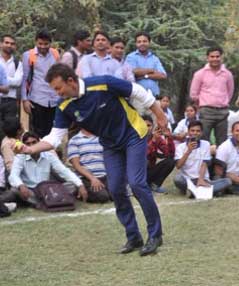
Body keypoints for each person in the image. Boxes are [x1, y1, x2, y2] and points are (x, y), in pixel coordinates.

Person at [16, 63, 168, 256]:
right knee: (115, 189)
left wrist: (160, 116)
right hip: (110, 144)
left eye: (58, 88)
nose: (57, 93)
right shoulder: (64, 106)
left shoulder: (102, 83)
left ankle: (155, 235)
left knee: (137, 183)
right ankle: (133, 236)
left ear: (70, 81)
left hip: (133, 135)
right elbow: (54, 137)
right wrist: (30, 149)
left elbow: (138, 92)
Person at [9, 132, 87, 206]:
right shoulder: (20, 157)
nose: (31, 145)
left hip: (46, 190)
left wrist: (80, 184)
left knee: (73, 185)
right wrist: (21, 185)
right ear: (24, 145)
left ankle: (45, 201)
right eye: (28, 144)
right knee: (15, 190)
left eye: (34, 142)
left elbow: (63, 171)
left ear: (39, 143)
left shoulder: (48, 155)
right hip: (30, 191)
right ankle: (51, 200)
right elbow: (13, 176)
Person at [173, 120, 232, 196]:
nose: (195, 133)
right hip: (188, 179)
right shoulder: (180, 147)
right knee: (177, 179)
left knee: (228, 181)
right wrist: (188, 151)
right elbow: (178, 166)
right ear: (188, 132)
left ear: (201, 133)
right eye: (192, 131)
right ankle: (199, 190)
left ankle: (193, 191)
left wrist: (201, 180)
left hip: (203, 179)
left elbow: (204, 163)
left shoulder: (206, 144)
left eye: (198, 131)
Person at [190, 46, 234, 146]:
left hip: (223, 112)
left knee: (222, 142)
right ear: (207, 58)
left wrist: (222, 102)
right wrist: (202, 104)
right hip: (206, 111)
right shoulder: (200, 74)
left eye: (217, 56)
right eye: (212, 56)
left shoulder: (227, 74)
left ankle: (219, 161)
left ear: (221, 57)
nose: (215, 59)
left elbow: (230, 92)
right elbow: (193, 94)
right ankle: (204, 161)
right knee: (203, 140)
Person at [21, 29, 60, 137]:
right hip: (37, 98)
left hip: (54, 99)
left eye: (46, 44)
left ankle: (49, 153)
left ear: (50, 43)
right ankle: (38, 153)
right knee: (38, 131)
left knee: (52, 131)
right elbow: (25, 78)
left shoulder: (55, 54)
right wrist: (25, 100)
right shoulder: (28, 55)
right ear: (36, 42)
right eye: (40, 43)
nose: (43, 46)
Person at [67, 128, 111, 203]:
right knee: (103, 197)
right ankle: (78, 193)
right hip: (86, 179)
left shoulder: (102, 137)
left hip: (105, 176)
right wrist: (92, 178)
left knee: (116, 195)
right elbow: (76, 166)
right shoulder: (74, 141)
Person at [126, 31, 167, 97]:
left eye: (144, 41)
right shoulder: (131, 57)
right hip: (137, 96)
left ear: (149, 42)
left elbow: (163, 75)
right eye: (139, 42)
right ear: (136, 44)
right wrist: (152, 70)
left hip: (154, 97)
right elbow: (134, 71)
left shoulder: (154, 58)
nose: (142, 43)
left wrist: (146, 76)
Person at [0, 34, 23, 133]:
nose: (9, 45)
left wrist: (2, 80)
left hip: (11, 102)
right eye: (7, 42)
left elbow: (18, 82)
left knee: (10, 130)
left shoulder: (18, 63)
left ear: (15, 46)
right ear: (1, 44)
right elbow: (13, 81)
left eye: (12, 43)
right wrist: (10, 80)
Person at [147, 125, 175, 194]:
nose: (147, 127)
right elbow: (145, 154)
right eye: (144, 125)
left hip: (149, 170)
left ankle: (155, 185)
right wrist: (153, 141)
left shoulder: (157, 138)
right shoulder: (136, 137)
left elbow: (169, 154)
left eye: (149, 125)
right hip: (137, 172)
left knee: (170, 161)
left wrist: (169, 138)